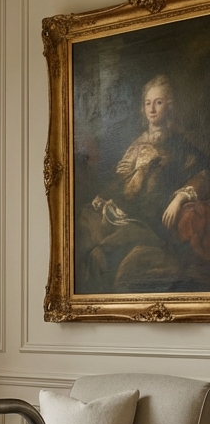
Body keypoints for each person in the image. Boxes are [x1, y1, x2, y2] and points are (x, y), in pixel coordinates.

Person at [83, 75, 210, 292]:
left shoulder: (181, 143)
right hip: (124, 212)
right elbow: (121, 182)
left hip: (151, 223)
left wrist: (180, 198)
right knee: (84, 232)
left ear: (168, 106)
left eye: (158, 102)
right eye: (147, 103)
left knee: (100, 254)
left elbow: (204, 174)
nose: (152, 109)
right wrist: (138, 170)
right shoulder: (137, 144)